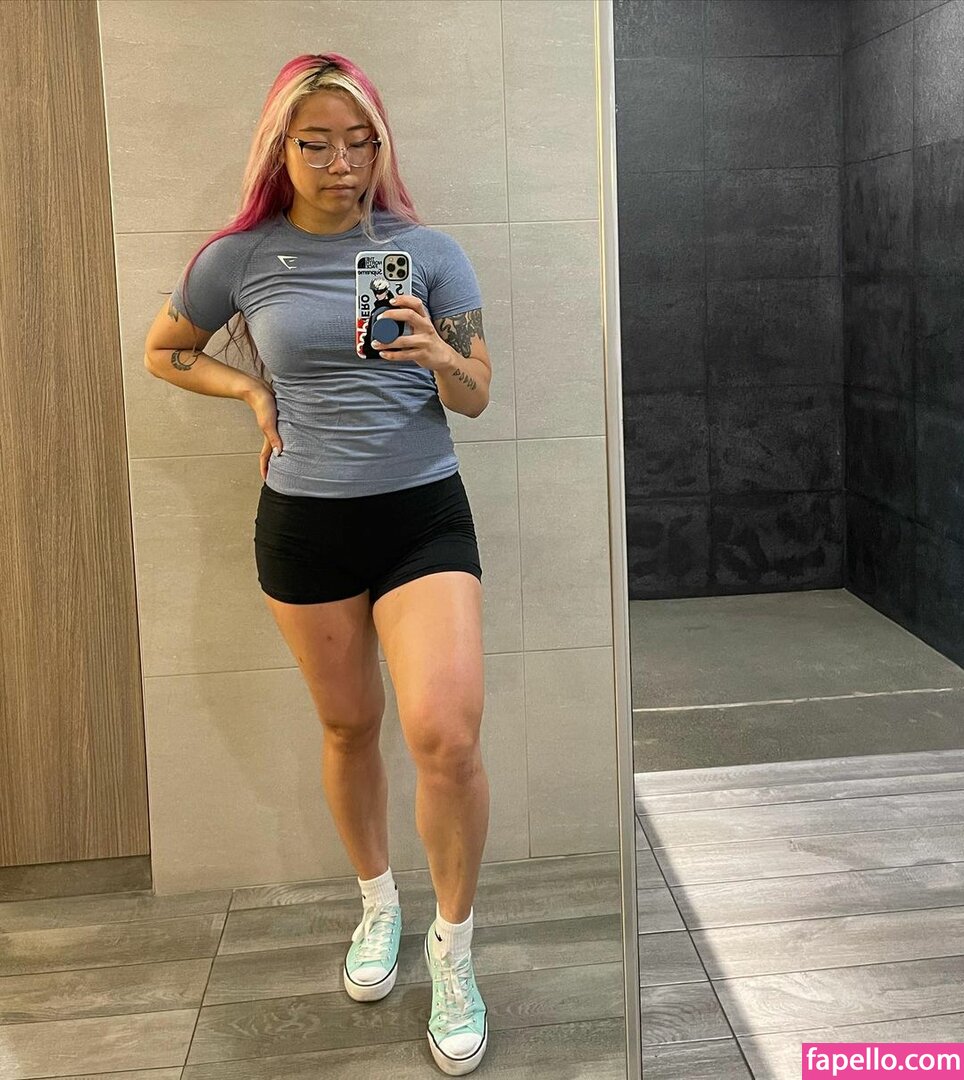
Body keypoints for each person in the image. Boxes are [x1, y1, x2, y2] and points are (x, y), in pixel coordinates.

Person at [143, 52, 492, 1076]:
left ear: (381, 145)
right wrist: (253, 392)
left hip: (423, 517)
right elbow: (165, 349)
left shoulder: (428, 253)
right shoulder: (239, 258)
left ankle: (454, 951)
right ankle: (379, 904)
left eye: (359, 141)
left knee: (446, 737)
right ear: (280, 148)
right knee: (349, 726)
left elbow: (477, 395)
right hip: (304, 524)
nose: (342, 163)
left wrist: (440, 354)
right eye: (317, 143)